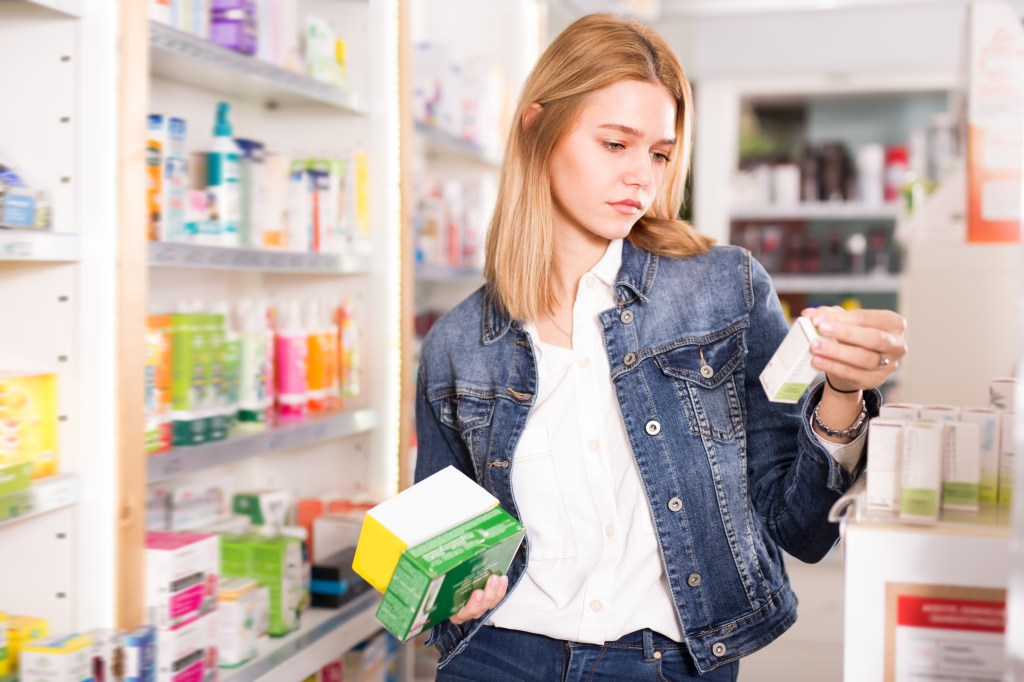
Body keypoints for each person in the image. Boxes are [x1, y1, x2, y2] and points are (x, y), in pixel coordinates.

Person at [414, 13, 905, 681]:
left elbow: (804, 530)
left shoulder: (722, 290)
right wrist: (452, 598)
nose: (641, 177)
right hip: (500, 659)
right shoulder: (458, 344)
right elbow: (442, 563)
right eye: (615, 144)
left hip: (663, 664)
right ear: (537, 128)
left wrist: (844, 393)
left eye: (660, 153)